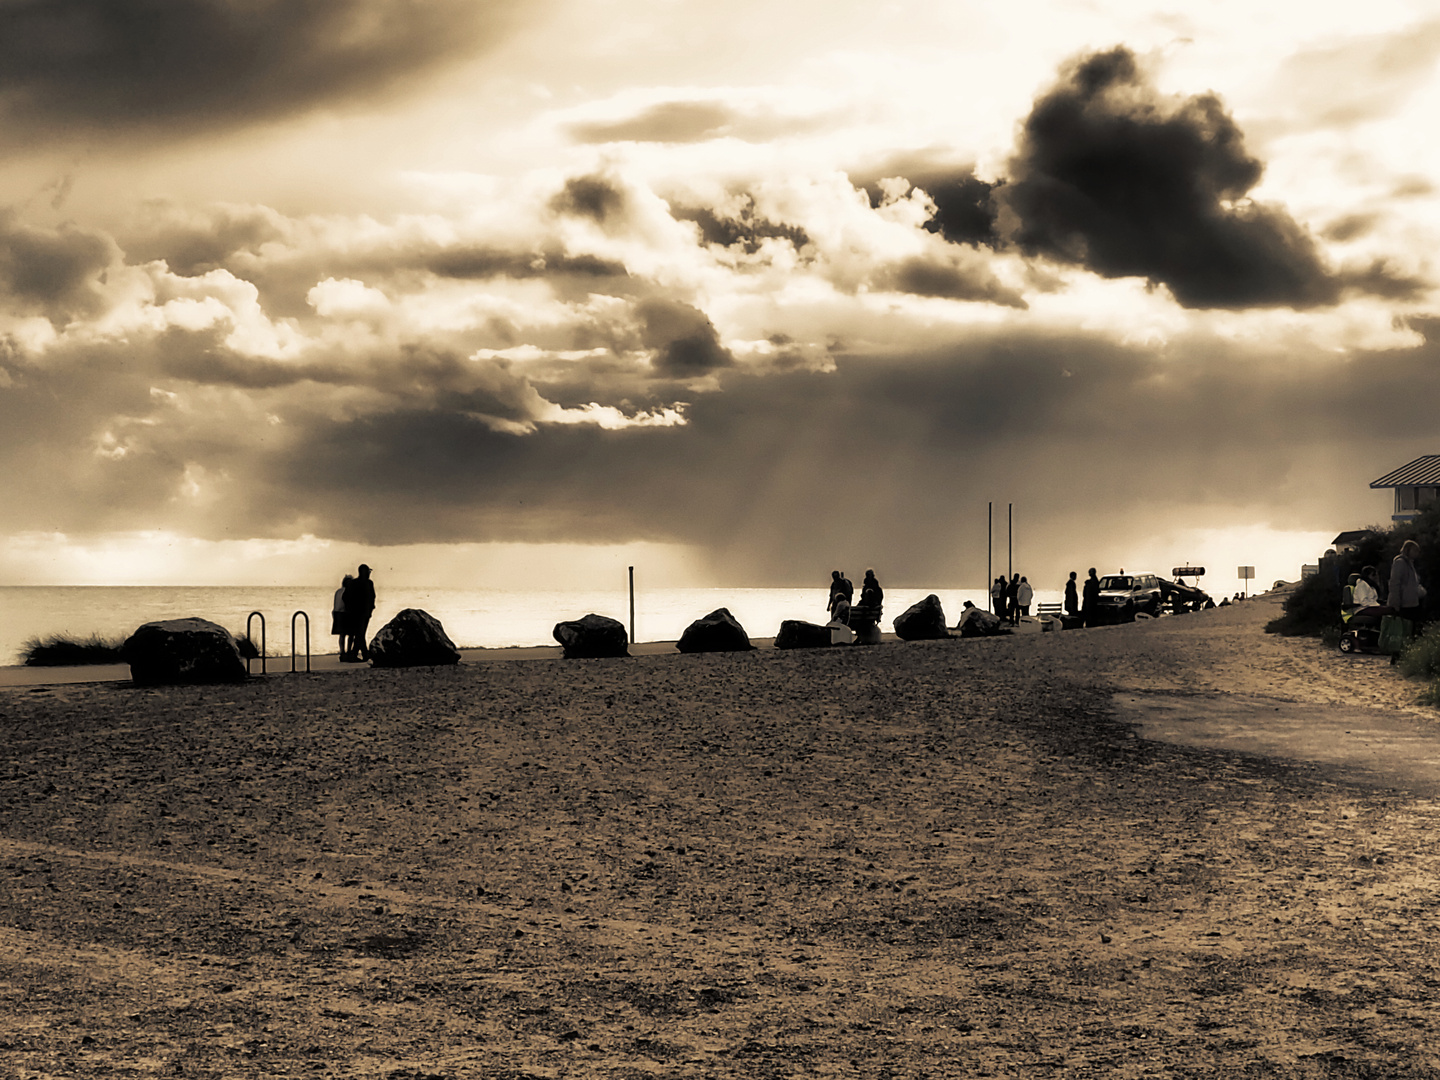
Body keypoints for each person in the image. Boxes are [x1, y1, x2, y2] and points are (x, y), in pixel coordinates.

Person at [1388, 541, 1426, 637]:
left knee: (1412, 628)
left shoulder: (1410, 564)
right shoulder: (1400, 563)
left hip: (1413, 601)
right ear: (1407, 550)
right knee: (1405, 628)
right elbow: (1395, 583)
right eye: (1415, 550)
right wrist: (1395, 603)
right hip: (1404, 603)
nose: (1417, 553)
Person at [342, 564, 377, 662]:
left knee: (359, 634)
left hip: (354, 613)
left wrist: (350, 607)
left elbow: (344, 597)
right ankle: (361, 654)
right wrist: (370, 608)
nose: (370, 573)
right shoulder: (369, 583)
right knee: (360, 634)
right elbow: (372, 597)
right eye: (368, 571)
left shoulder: (352, 583)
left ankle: (355, 654)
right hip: (363, 613)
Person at [332, 573, 353, 659]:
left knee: (342, 635)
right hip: (345, 613)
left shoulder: (338, 591)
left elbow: (335, 604)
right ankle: (348, 651)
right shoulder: (349, 591)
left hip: (337, 612)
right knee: (351, 634)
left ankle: (342, 652)